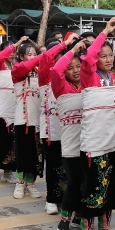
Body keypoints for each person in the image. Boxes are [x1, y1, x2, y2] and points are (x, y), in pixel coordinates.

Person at [76, 17, 115, 230]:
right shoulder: (89, 75)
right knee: (92, 186)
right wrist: (105, 33)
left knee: (110, 186)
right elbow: (88, 58)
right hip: (94, 142)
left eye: (110, 55)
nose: (107, 59)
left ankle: (105, 229)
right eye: (103, 55)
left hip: (114, 141)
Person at [11, 39, 67, 199]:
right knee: (22, 154)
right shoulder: (17, 70)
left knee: (36, 156)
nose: (33, 57)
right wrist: (43, 56)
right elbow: (25, 67)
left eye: (35, 54)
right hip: (23, 120)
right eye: (29, 54)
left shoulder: (41, 72)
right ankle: (19, 183)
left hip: (40, 122)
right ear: (21, 56)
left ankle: (30, 183)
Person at [51, 38, 89, 230]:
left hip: (90, 143)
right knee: (74, 181)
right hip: (70, 145)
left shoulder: (89, 86)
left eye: (78, 66)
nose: (75, 70)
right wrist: (72, 49)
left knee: (86, 182)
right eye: (71, 67)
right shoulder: (60, 87)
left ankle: (79, 216)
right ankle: (65, 216)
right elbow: (55, 70)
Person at [39, 34, 79, 215]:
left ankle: (65, 198)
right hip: (53, 130)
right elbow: (47, 58)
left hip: (71, 130)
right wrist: (65, 44)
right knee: (54, 165)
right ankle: (51, 199)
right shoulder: (46, 75)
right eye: (58, 58)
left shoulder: (71, 80)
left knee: (68, 166)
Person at [0, 37, 29, 182]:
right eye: (9, 49)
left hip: (15, 109)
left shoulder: (17, 67)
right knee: (4, 142)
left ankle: (8, 171)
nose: (12, 53)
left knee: (13, 143)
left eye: (14, 50)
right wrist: (17, 43)